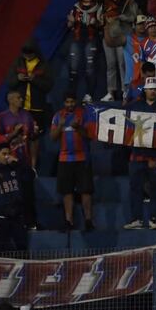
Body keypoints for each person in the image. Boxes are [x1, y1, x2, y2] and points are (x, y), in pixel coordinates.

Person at [123, 77, 156, 230]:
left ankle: (154, 218)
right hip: (137, 155)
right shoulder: (134, 106)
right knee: (135, 188)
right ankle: (137, 219)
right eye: (150, 89)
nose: (153, 91)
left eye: (155, 89)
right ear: (145, 90)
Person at [0, 89, 37, 229]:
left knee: (28, 194)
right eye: (18, 97)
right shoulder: (2, 117)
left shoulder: (27, 116)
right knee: (13, 195)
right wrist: (13, 133)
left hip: (24, 161)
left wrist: (33, 163)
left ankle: (31, 223)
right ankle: (14, 223)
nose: (21, 100)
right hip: (8, 164)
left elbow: (33, 139)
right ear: (10, 100)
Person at [6, 39, 54, 169]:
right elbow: (9, 82)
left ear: (35, 52)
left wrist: (35, 80)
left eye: (29, 54)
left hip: (36, 108)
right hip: (20, 108)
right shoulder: (17, 63)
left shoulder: (43, 65)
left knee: (34, 138)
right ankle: (19, 165)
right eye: (25, 54)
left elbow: (49, 85)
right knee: (18, 137)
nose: (27, 56)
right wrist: (17, 78)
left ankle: (32, 167)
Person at [50, 94, 94, 232]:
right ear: (64, 102)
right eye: (67, 102)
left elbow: (89, 135)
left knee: (86, 191)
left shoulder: (84, 114)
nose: (70, 104)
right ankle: (69, 221)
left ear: (76, 102)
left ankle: (88, 220)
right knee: (67, 191)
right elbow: (53, 137)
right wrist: (60, 126)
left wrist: (78, 127)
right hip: (65, 159)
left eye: (72, 101)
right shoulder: (58, 116)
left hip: (82, 158)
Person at [0, 143, 31, 252]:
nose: (7, 156)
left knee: (22, 249)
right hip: (0, 217)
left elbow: (30, 176)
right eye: (4, 154)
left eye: (8, 153)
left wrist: (18, 162)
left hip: (17, 216)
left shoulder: (16, 168)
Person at [101, 0, 139, 101]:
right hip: (109, 35)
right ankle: (110, 92)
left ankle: (125, 90)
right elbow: (100, 15)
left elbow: (134, 16)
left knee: (123, 64)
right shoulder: (106, 0)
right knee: (110, 65)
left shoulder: (128, 0)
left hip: (122, 35)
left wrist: (120, 17)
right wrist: (102, 19)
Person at [67, 0, 103, 103]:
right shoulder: (76, 7)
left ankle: (89, 94)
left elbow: (101, 25)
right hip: (76, 39)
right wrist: (71, 22)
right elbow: (69, 25)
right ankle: (71, 95)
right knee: (73, 67)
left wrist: (95, 22)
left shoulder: (97, 8)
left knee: (90, 68)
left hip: (91, 40)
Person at [122, 14, 149, 96]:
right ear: (134, 25)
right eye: (140, 24)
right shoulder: (127, 39)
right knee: (128, 103)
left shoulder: (151, 39)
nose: (142, 26)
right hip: (131, 81)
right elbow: (110, 42)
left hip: (147, 81)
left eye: (145, 24)